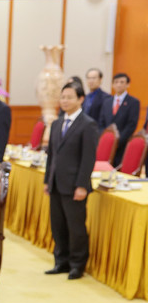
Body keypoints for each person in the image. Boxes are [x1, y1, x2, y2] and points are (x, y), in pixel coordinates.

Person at [44, 82, 98, 280]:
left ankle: (77, 264)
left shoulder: (88, 124)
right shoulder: (57, 123)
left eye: (69, 97)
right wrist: (47, 180)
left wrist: (82, 185)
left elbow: (88, 159)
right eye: (63, 97)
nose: (64, 101)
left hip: (75, 185)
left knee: (76, 228)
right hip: (56, 183)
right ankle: (61, 261)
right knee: (58, 225)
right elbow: (52, 156)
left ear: (80, 99)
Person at [99, 72, 140, 167]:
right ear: (112, 84)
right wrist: (105, 138)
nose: (119, 85)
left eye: (122, 82)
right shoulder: (107, 101)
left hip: (122, 145)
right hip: (106, 145)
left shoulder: (133, 102)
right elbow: (101, 122)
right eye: (116, 82)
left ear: (128, 84)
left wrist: (118, 141)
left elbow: (131, 124)